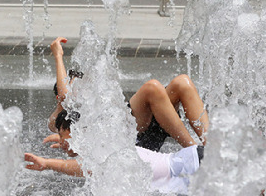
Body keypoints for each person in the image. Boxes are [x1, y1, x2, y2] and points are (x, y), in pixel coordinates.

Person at [45, 37, 208, 152]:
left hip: (143, 125)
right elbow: (65, 96)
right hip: (132, 145)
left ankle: (212, 146)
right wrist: (58, 56)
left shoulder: (97, 107)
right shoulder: (58, 120)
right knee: (152, 87)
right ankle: (194, 152)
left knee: (182, 82)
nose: (83, 90)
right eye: (75, 86)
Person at [25, 109, 203, 194]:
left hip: (194, 164)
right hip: (190, 167)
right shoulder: (100, 143)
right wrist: (65, 141)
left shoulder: (102, 150)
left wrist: (47, 163)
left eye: (64, 136)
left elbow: (85, 167)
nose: (63, 143)